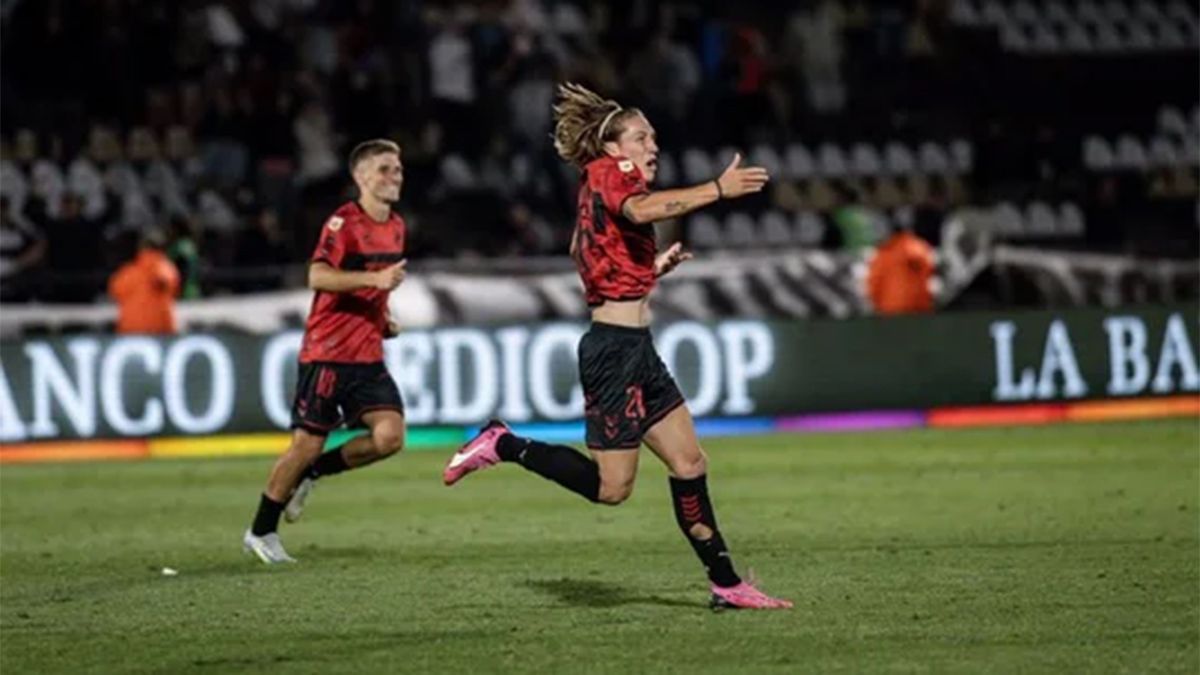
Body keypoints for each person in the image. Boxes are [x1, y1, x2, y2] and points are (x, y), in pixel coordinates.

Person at [442, 83, 792, 610]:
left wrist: (647, 270)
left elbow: (586, 250)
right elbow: (642, 210)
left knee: (690, 462)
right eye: (641, 136)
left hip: (636, 348)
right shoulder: (612, 174)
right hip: (613, 352)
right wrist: (716, 189)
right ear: (613, 147)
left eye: (654, 137)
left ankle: (725, 584)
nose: (653, 145)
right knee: (612, 488)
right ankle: (503, 442)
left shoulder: (596, 191)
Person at [243, 139, 409, 564]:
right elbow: (317, 275)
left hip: (367, 354)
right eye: (385, 169)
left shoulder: (396, 226)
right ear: (361, 177)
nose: (395, 176)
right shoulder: (343, 223)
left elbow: (378, 283)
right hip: (327, 353)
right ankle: (261, 530)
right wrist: (374, 284)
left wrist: (383, 315)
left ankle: (314, 475)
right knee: (304, 446)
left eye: (398, 169)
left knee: (390, 436)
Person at [107, 229, 180, 334]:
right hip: (160, 331)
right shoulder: (167, 268)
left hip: (130, 329)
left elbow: (113, 291)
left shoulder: (127, 272)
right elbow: (169, 285)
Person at [865, 221, 936, 315]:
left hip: (891, 312)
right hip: (918, 310)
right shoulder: (919, 247)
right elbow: (929, 272)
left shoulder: (884, 254)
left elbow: (873, 286)